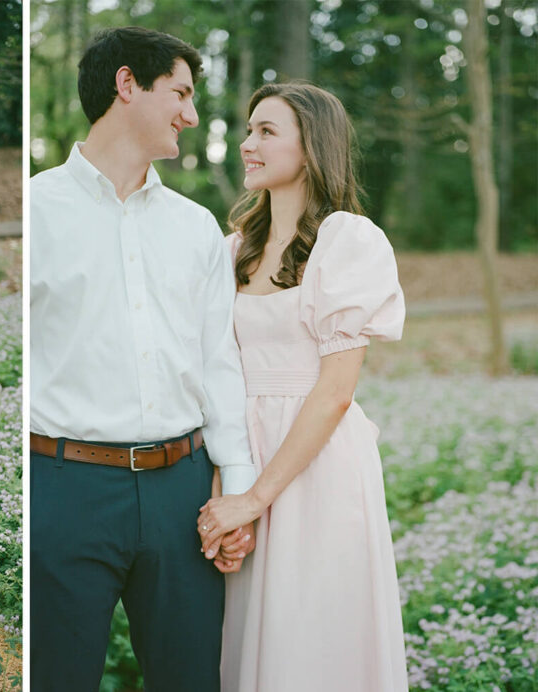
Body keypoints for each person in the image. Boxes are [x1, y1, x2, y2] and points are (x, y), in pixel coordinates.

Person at [30, 27, 257, 691]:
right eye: (181, 93)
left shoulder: (195, 228)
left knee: (191, 679)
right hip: (64, 489)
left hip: (182, 494)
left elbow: (218, 363)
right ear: (127, 85)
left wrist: (235, 495)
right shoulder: (38, 211)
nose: (191, 114)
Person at [196, 82, 409, 691]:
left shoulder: (347, 241)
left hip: (317, 464)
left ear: (312, 148)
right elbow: (217, 374)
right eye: (248, 130)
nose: (246, 145)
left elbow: (336, 391)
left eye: (266, 132)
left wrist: (256, 498)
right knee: (251, 637)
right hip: (242, 455)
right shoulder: (231, 249)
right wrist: (227, 492)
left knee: (312, 636)